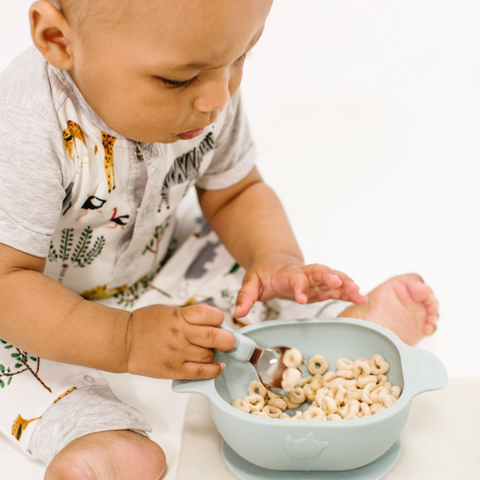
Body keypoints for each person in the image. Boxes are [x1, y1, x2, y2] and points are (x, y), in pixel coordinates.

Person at [0, 0, 438, 478]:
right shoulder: (23, 124)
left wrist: (274, 258)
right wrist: (125, 339)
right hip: (27, 294)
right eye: (177, 80)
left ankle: (335, 326)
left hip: (152, 259)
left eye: (241, 57)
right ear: (59, 41)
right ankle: (97, 434)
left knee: (236, 272)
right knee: (12, 363)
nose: (218, 97)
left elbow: (236, 192)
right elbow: (8, 282)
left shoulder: (207, 81)